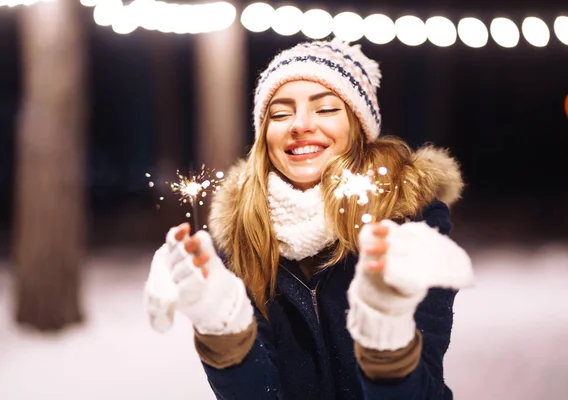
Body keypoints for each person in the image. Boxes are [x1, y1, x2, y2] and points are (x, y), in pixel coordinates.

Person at [143, 38, 473, 400]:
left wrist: (386, 334)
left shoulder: (408, 227)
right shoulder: (242, 238)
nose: (300, 125)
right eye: (280, 114)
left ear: (359, 128)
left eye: (326, 109)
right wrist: (224, 329)